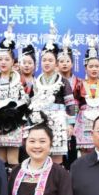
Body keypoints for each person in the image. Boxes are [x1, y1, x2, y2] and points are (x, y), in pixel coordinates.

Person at [27, 25, 76, 164]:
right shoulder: (36, 82)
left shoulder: (62, 81)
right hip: (40, 122)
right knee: (40, 155)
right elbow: (31, 103)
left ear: (56, 63)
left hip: (58, 122)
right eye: (44, 60)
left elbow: (70, 104)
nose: (47, 63)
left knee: (56, 158)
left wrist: (70, 125)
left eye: (50, 60)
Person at [0, 24, 28, 167]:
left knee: (13, 159)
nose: (3, 62)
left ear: (13, 62)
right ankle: (1, 180)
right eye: (0, 59)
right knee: (0, 160)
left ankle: (14, 180)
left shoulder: (19, 79)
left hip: (13, 120)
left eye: (7, 59)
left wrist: (13, 111)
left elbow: (25, 99)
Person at [74, 40, 99, 155]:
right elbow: (75, 105)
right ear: (86, 68)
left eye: (96, 66)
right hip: (83, 121)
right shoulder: (79, 85)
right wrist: (73, 122)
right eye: (91, 66)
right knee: (84, 153)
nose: (94, 69)